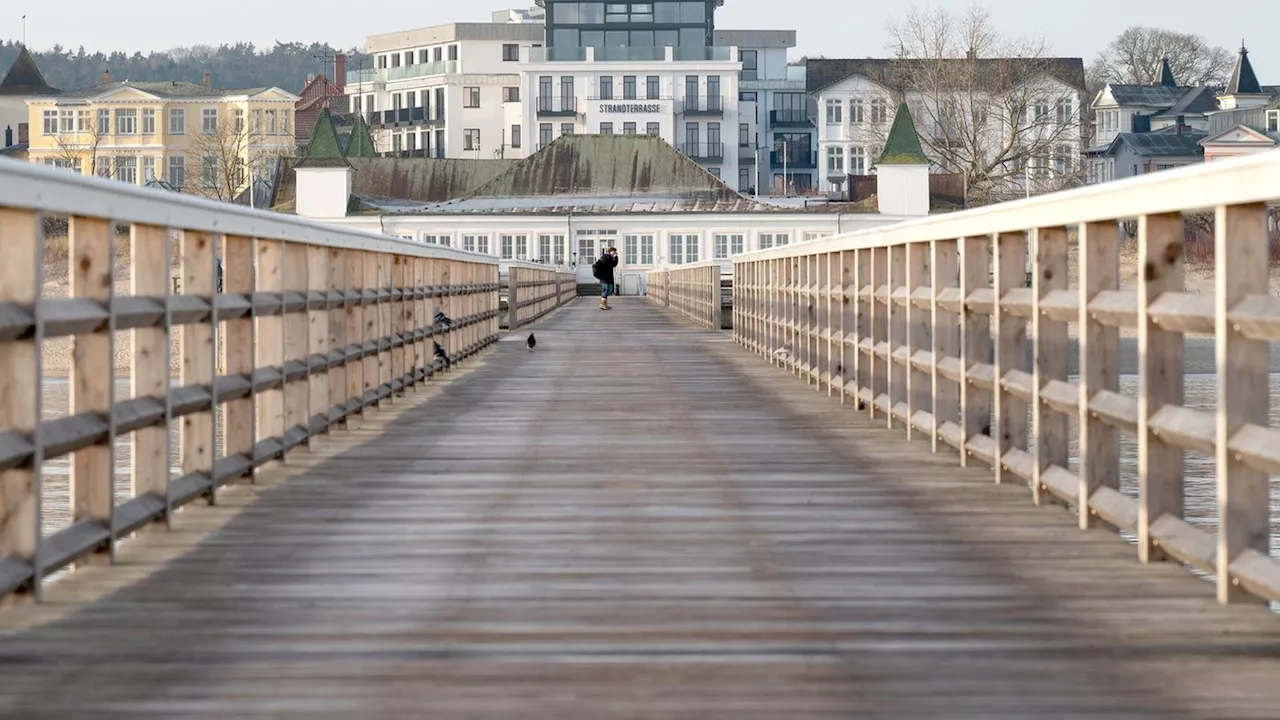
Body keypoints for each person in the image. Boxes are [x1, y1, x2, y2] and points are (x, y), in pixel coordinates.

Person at [593, 246, 619, 311]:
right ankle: (602, 303)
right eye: (614, 251)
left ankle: (604, 304)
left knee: (606, 290)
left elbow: (612, 264)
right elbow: (613, 264)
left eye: (615, 252)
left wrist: (614, 258)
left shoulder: (607, 257)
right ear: (610, 251)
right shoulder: (607, 257)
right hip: (606, 277)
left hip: (605, 277)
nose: (615, 253)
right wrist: (615, 258)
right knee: (607, 290)